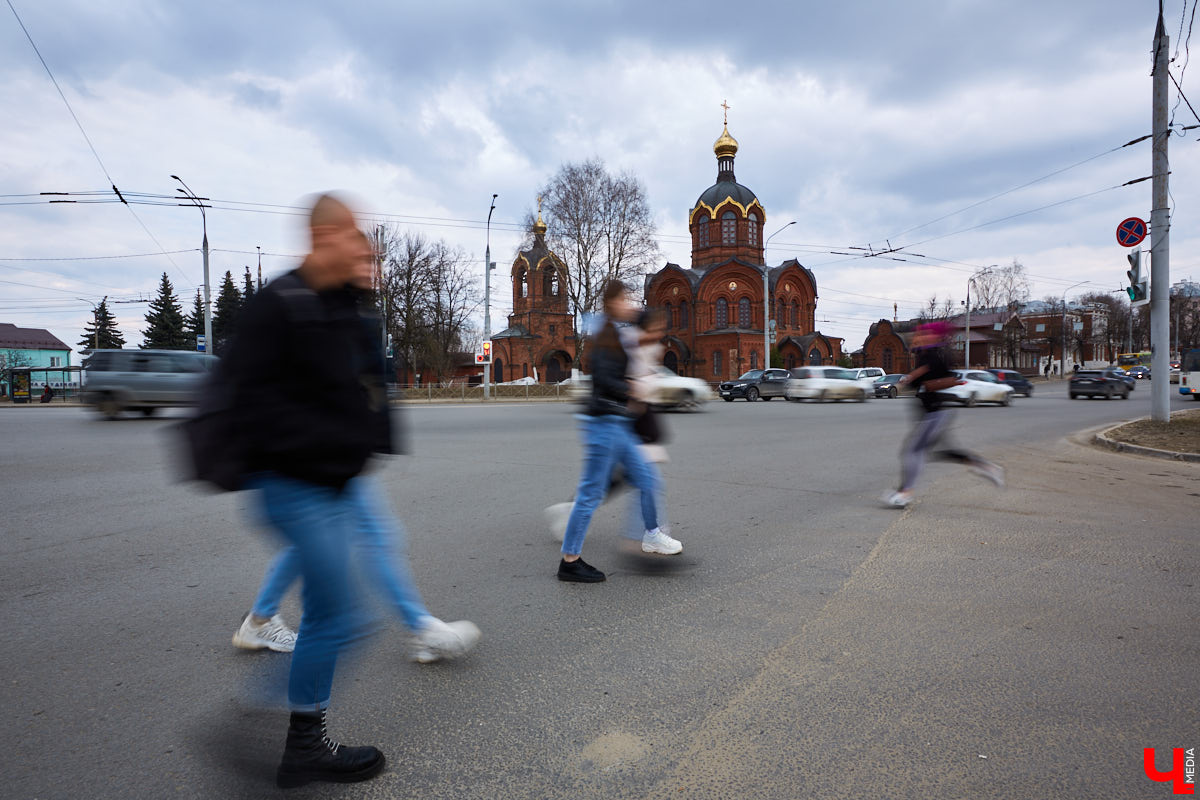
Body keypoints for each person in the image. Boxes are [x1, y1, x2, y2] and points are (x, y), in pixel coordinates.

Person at [215, 194, 398, 787]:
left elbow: (363, 385)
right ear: (324, 236)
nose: (361, 247)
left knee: (328, 612)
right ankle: (273, 727)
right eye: (352, 236)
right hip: (293, 483)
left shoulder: (338, 304)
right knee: (345, 615)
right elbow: (243, 397)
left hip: (332, 482)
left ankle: (300, 744)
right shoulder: (280, 303)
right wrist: (323, 446)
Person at [557, 282, 681, 583]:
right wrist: (631, 388)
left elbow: (640, 330)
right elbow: (602, 378)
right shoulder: (606, 335)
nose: (630, 304)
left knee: (647, 478)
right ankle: (569, 561)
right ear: (613, 302)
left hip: (618, 423)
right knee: (590, 494)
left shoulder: (616, 330)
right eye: (625, 299)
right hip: (603, 423)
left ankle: (652, 534)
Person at [883, 321, 1004, 509]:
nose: (919, 338)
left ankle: (905, 493)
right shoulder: (926, 355)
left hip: (934, 415)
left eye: (924, 335)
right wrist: (912, 378)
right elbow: (920, 381)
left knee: (913, 452)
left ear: (935, 337)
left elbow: (935, 378)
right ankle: (986, 467)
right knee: (939, 452)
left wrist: (915, 378)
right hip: (932, 414)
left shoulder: (934, 356)